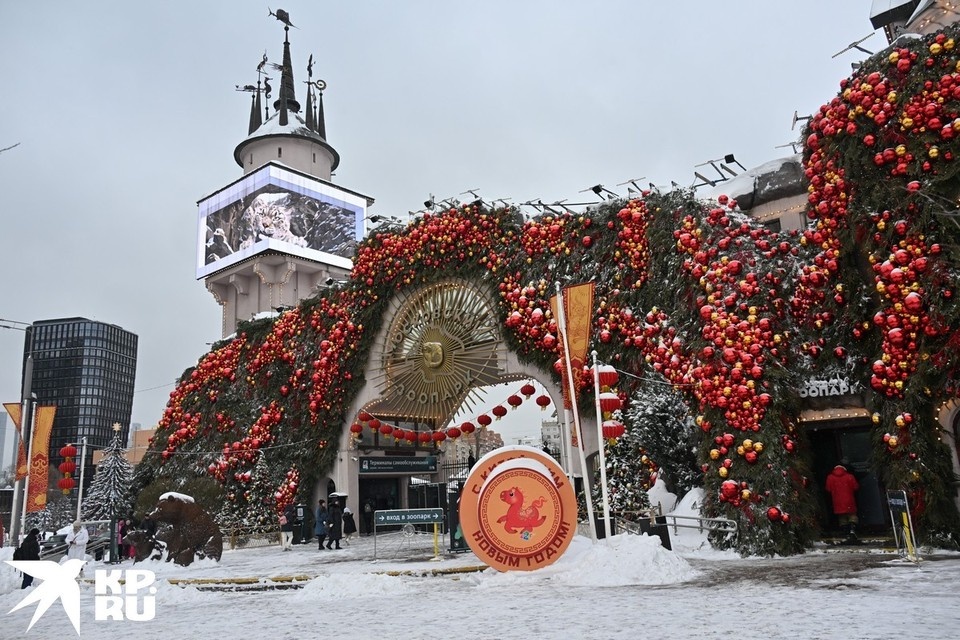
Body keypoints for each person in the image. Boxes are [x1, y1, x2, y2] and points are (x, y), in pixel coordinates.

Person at [825, 462, 860, 543]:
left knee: (842, 517)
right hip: (849, 500)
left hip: (837, 500)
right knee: (852, 516)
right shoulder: (850, 476)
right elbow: (856, 487)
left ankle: (845, 533)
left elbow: (828, 489)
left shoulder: (830, 477)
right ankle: (852, 530)